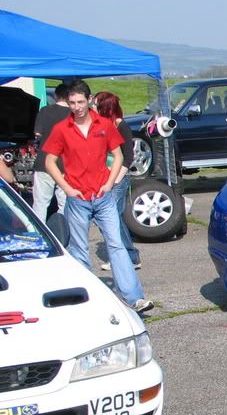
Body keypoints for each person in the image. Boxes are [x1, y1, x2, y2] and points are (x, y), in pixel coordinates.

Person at [42, 80, 152, 313]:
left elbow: (118, 155)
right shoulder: (62, 128)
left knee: (117, 245)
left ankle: (134, 297)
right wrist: (67, 188)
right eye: (72, 103)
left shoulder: (104, 124)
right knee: (79, 250)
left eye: (80, 102)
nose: (77, 107)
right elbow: (50, 161)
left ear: (89, 100)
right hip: (77, 198)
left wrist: (110, 183)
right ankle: (86, 301)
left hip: (103, 197)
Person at [94, 92, 142, 271]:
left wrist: (115, 180)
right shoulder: (102, 126)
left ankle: (129, 256)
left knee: (111, 217)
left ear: (105, 107)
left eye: (96, 104)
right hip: (104, 177)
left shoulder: (121, 126)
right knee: (111, 217)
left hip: (118, 179)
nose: (93, 107)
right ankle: (126, 255)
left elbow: (128, 157)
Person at [31, 82, 72, 220]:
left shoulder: (45, 111)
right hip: (67, 164)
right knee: (65, 203)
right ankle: (63, 230)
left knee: (40, 203)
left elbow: (37, 134)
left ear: (56, 96)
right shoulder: (74, 114)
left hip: (44, 161)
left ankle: (39, 230)